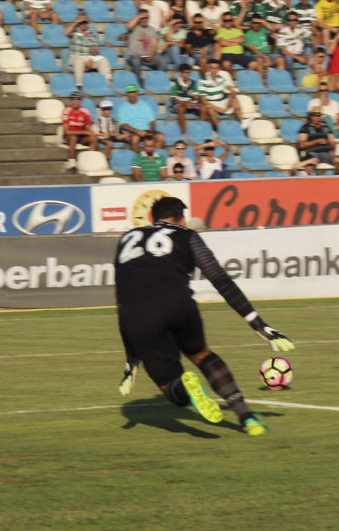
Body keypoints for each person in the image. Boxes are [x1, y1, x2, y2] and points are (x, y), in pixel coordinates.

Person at [115, 196, 294, 436]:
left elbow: (121, 297)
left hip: (134, 314)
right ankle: (247, 418)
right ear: (182, 219)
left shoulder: (126, 239)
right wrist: (257, 323)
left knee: (171, 385)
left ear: (150, 218)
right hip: (176, 301)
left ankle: (187, 389)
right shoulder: (186, 234)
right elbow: (219, 278)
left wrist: (131, 358)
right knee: (202, 355)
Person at [65, 13, 111, 90]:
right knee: (78, 61)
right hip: (76, 56)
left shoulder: (92, 32)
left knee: (103, 60)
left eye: (85, 22)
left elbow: (95, 48)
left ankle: (106, 83)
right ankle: (80, 85)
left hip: (89, 56)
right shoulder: (74, 30)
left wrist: (91, 58)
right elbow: (66, 32)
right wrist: (76, 22)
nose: (83, 24)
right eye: (81, 22)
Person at [118, 85, 166, 152]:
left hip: (146, 130)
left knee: (161, 137)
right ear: (127, 94)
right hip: (133, 132)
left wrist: (150, 132)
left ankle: (154, 158)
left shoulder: (145, 105)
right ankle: (139, 160)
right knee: (135, 139)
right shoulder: (123, 107)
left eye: (133, 92)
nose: (132, 95)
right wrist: (138, 131)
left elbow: (152, 121)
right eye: (129, 93)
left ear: (137, 93)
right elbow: (124, 125)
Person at [196, 59, 244, 127]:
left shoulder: (220, 78)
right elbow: (204, 101)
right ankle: (220, 128)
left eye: (216, 68)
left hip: (220, 102)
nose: (214, 70)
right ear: (209, 69)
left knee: (235, 101)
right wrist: (217, 108)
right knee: (211, 110)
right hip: (210, 104)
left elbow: (229, 87)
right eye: (212, 68)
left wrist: (233, 93)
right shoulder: (202, 81)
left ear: (218, 69)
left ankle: (242, 124)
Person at [127, 10, 169, 85]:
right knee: (136, 61)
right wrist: (140, 16)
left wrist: (151, 55)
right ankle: (139, 84)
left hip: (148, 57)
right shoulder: (134, 27)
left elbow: (155, 45)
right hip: (135, 56)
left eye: (146, 17)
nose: (144, 20)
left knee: (163, 60)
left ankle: (157, 83)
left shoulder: (152, 30)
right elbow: (129, 26)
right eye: (142, 18)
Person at [215, 12, 262, 76]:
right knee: (226, 64)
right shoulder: (221, 30)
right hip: (227, 55)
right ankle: (230, 81)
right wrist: (236, 42)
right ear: (223, 21)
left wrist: (227, 41)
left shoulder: (237, 30)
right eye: (226, 20)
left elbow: (242, 39)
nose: (228, 22)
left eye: (230, 20)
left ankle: (243, 77)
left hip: (240, 55)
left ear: (232, 21)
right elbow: (222, 42)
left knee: (254, 64)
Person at [62, 91, 96, 173]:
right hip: (69, 136)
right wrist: (84, 132)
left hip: (80, 136)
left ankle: (89, 161)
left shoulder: (85, 112)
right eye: (74, 100)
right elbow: (67, 131)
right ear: (71, 101)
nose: (76, 102)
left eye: (78, 100)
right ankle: (72, 163)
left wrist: (88, 131)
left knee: (93, 138)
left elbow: (88, 129)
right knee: (73, 137)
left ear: (80, 101)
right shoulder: (67, 111)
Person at [171, 64, 206, 135]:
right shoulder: (175, 83)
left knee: (204, 108)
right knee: (180, 108)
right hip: (180, 104)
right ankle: (184, 133)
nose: (187, 75)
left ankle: (198, 130)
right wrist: (184, 103)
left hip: (190, 104)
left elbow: (196, 97)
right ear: (181, 73)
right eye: (185, 73)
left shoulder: (193, 83)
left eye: (188, 73)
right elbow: (174, 100)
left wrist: (196, 102)